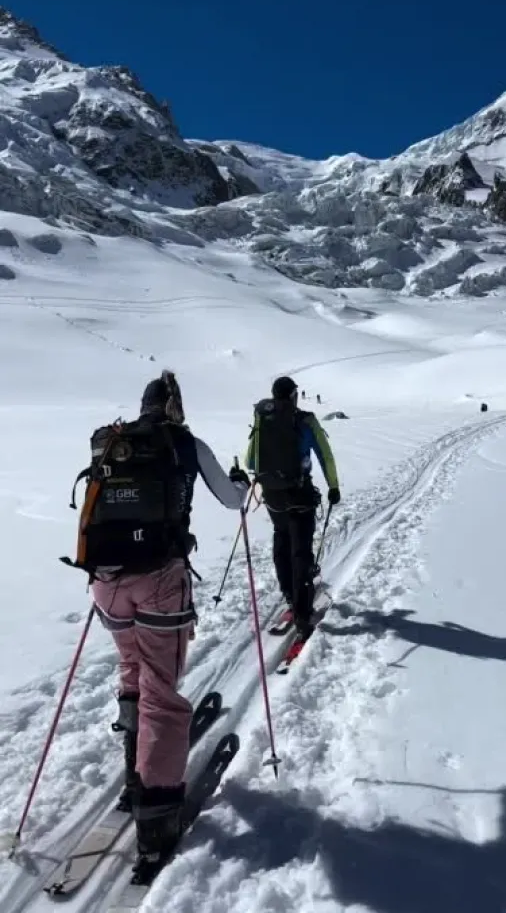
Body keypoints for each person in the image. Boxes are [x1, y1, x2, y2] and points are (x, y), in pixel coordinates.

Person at [91, 371, 249, 881]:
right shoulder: (186, 442)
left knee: (132, 670)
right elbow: (232, 498)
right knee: (161, 688)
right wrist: (241, 482)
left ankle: (134, 776)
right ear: (176, 405)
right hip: (160, 579)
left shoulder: (112, 442)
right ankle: (155, 816)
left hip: (106, 582)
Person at [245, 375, 340, 641]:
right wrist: (333, 486)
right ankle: (302, 611)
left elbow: (250, 459)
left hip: (273, 496)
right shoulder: (305, 420)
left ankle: (289, 595)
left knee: (282, 541)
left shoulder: (263, 419)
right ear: (294, 395)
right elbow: (325, 455)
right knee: (301, 551)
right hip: (300, 494)